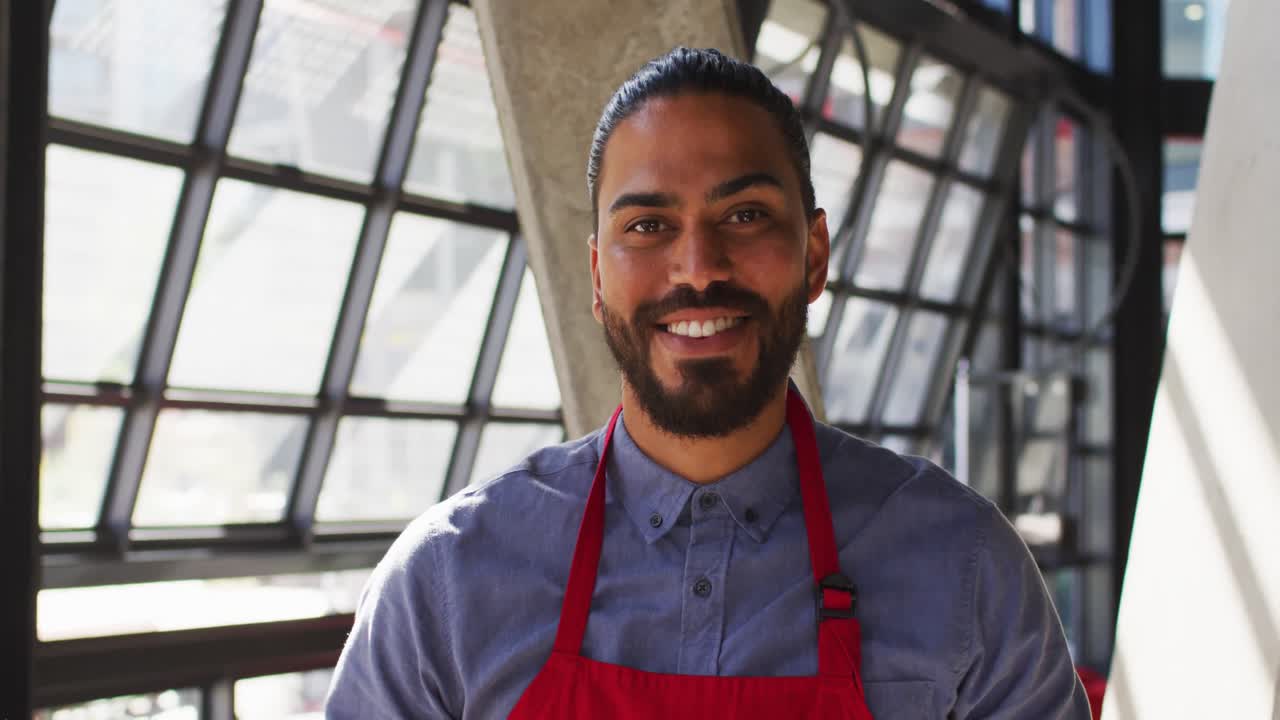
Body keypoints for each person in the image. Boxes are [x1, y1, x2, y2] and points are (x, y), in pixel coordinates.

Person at [326, 47, 1091, 719]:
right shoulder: (447, 580)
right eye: (648, 226)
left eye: (746, 214)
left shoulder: (965, 566)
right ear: (596, 275)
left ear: (815, 253)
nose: (698, 268)